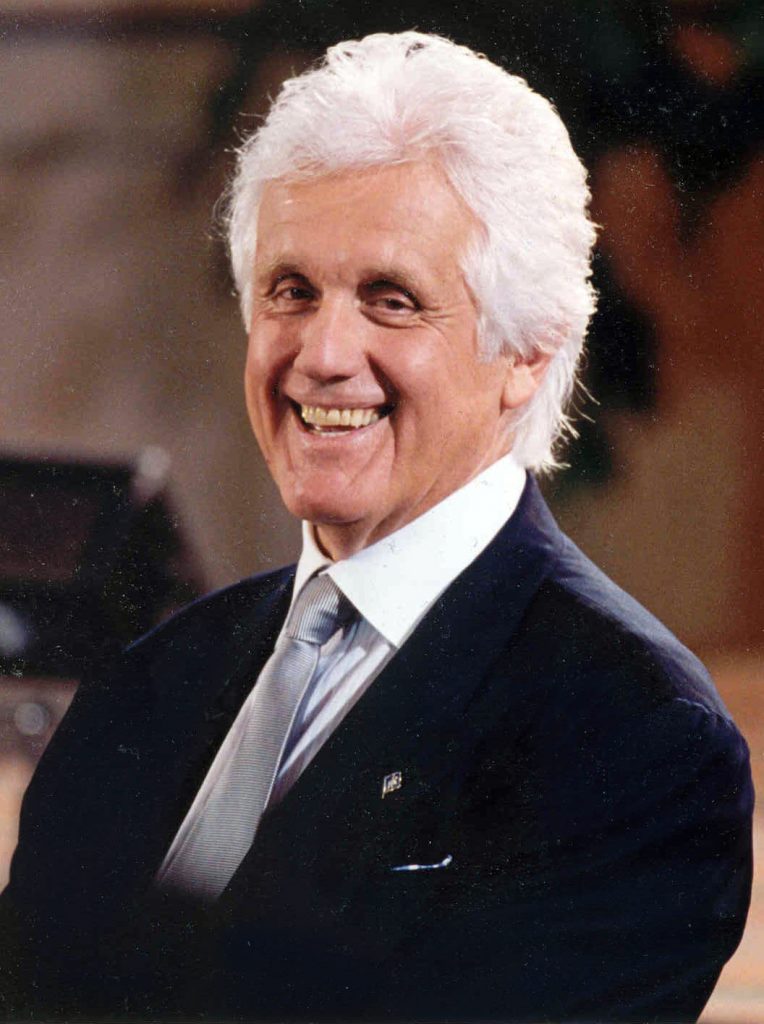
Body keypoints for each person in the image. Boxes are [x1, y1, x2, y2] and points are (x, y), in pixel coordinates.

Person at [0, 31, 753, 1023]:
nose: (322, 354)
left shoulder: (633, 738)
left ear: (528, 351)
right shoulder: (149, 684)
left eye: (391, 301)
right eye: (291, 292)